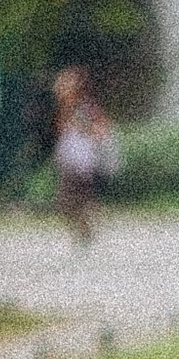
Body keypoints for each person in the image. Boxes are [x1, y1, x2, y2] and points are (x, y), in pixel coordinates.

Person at [50, 67, 118, 244]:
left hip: (84, 165)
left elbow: (101, 130)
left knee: (70, 202)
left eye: (64, 84)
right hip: (71, 163)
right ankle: (86, 231)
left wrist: (88, 130)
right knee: (70, 203)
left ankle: (88, 229)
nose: (58, 87)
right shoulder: (64, 110)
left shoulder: (84, 109)